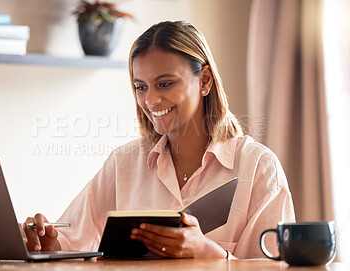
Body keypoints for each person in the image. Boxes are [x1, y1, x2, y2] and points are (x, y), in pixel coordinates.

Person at [22, 21, 295, 259]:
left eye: (165, 84)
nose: (150, 100)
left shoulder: (258, 167)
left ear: (205, 81)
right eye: (141, 87)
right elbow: (73, 238)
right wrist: (50, 241)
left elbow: (277, 267)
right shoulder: (123, 164)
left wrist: (210, 254)